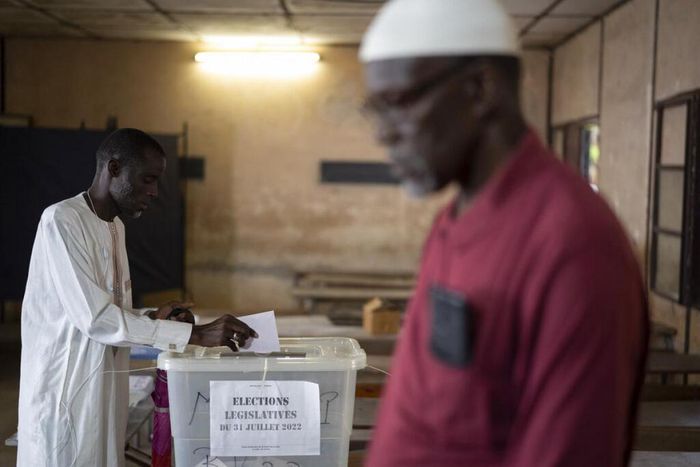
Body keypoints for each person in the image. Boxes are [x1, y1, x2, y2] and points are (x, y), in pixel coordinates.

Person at [359, 1, 649, 466]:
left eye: (396, 104)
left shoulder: (572, 244)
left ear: (478, 89)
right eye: (373, 110)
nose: (383, 135)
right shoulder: (453, 221)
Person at [17, 128, 257, 466]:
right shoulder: (63, 220)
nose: (154, 191)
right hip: (66, 389)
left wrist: (151, 318)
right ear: (113, 169)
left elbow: (110, 309)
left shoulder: (116, 226)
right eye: (147, 179)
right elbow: (95, 319)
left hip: (105, 386)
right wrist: (196, 334)